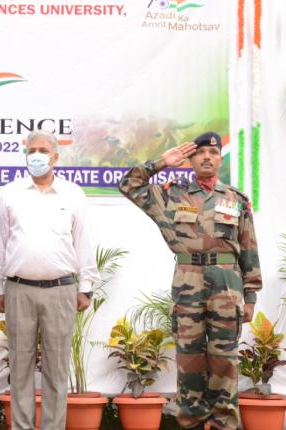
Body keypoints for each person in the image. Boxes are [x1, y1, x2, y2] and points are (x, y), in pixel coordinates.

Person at [118, 132, 262, 430]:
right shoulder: (171, 195)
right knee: (189, 357)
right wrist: (161, 163)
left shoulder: (236, 200)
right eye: (200, 153)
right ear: (190, 159)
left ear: (220, 159)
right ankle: (192, 420)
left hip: (227, 284)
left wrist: (251, 296)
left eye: (213, 152)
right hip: (188, 280)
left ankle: (224, 422)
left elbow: (249, 248)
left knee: (224, 358)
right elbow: (128, 185)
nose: (206, 157)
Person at [0, 130, 101, 430]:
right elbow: (1, 245)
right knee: (20, 365)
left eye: (43, 150)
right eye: (32, 150)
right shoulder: (10, 193)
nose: (37, 156)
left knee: (56, 367)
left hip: (61, 290)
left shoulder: (73, 194)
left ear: (55, 156)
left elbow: (83, 241)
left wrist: (86, 287)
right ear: (25, 155)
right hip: (18, 290)